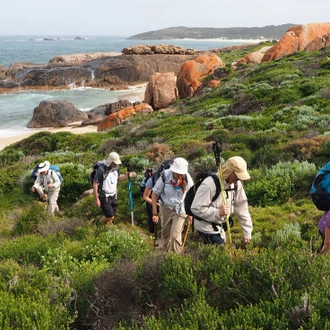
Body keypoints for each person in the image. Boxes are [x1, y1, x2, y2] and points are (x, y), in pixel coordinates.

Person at [191, 156, 253, 245]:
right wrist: (218, 212)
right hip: (206, 226)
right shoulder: (209, 185)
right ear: (230, 172)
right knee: (221, 251)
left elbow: (242, 208)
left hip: (220, 226)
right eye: (237, 175)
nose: (239, 179)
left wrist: (247, 232)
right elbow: (196, 208)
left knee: (221, 253)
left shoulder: (236, 185)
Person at [151, 157, 194, 254]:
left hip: (181, 209)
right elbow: (154, 194)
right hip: (166, 208)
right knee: (166, 235)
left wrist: (191, 214)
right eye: (177, 173)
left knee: (175, 236)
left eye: (181, 174)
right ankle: (166, 255)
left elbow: (192, 195)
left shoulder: (187, 177)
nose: (179, 176)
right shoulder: (165, 175)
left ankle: (175, 259)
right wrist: (154, 213)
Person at [93, 151, 132, 226]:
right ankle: (97, 223)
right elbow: (95, 184)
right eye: (115, 163)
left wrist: (127, 176)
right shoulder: (101, 170)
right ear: (110, 161)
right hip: (104, 196)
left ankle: (106, 228)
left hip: (113, 195)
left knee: (112, 216)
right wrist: (97, 199)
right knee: (110, 216)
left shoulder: (116, 168)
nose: (116, 164)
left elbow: (118, 178)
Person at [143, 159, 174, 234]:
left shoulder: (174, 178)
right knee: (153, 224)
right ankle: (153, 237)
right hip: (154, 202)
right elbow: (145, 196)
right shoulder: (153, 179)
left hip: (167, 204)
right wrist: (156, 204)